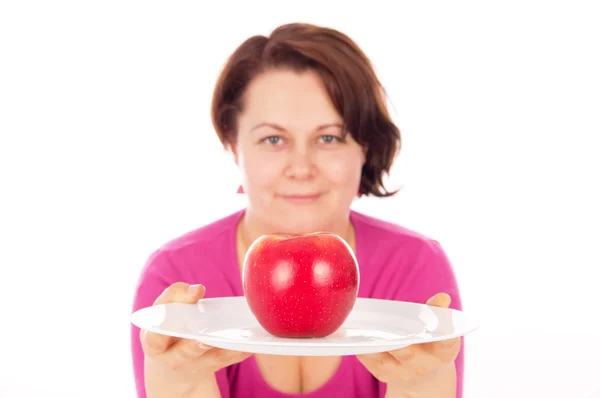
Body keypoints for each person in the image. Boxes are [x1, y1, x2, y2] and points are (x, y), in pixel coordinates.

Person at [131, 22, 464, 398]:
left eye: (329, 138)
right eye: (273, 139)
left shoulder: (415, 268)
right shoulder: (177, 277)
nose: (302, 168)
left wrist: (422, 383)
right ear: (232, 143)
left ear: (365, 147)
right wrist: (177, 383)